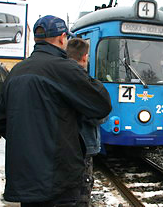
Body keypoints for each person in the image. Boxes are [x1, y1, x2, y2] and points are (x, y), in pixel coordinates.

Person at [0, 15, 112, 207]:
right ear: (63, 38)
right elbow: (101, 104)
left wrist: (28, 140)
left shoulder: (17, 71)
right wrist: (80, 68)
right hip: (59, 178)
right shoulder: (64, 69)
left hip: (25, 178)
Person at [66, 37, 103, 206]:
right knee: (81, 194)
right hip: (83, 146)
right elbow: (99, 115)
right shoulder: (84, 80)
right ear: (84, 57)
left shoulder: (55, 75)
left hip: (59, 145)